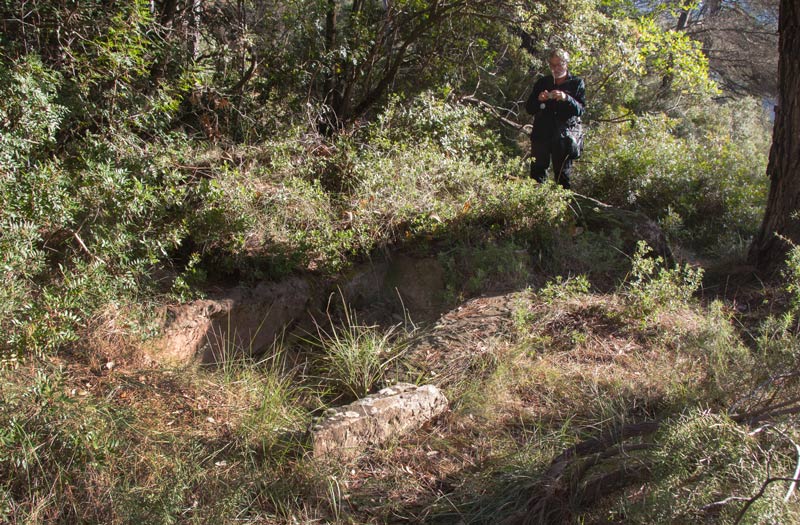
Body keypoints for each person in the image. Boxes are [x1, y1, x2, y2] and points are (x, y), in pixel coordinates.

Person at [525, 49, 585, 189]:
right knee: (537, 175)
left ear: (566, 64)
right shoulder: (543, 82)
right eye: (552, 65)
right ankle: (535, 206)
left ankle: (562, 208)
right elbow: (529, 108)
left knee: (562, 177)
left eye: (559, 65)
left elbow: (581, 110)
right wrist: (540, 100)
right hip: (542, 135)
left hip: (564, 137)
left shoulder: (576, 83)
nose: (555, 68)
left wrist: (566, 98)